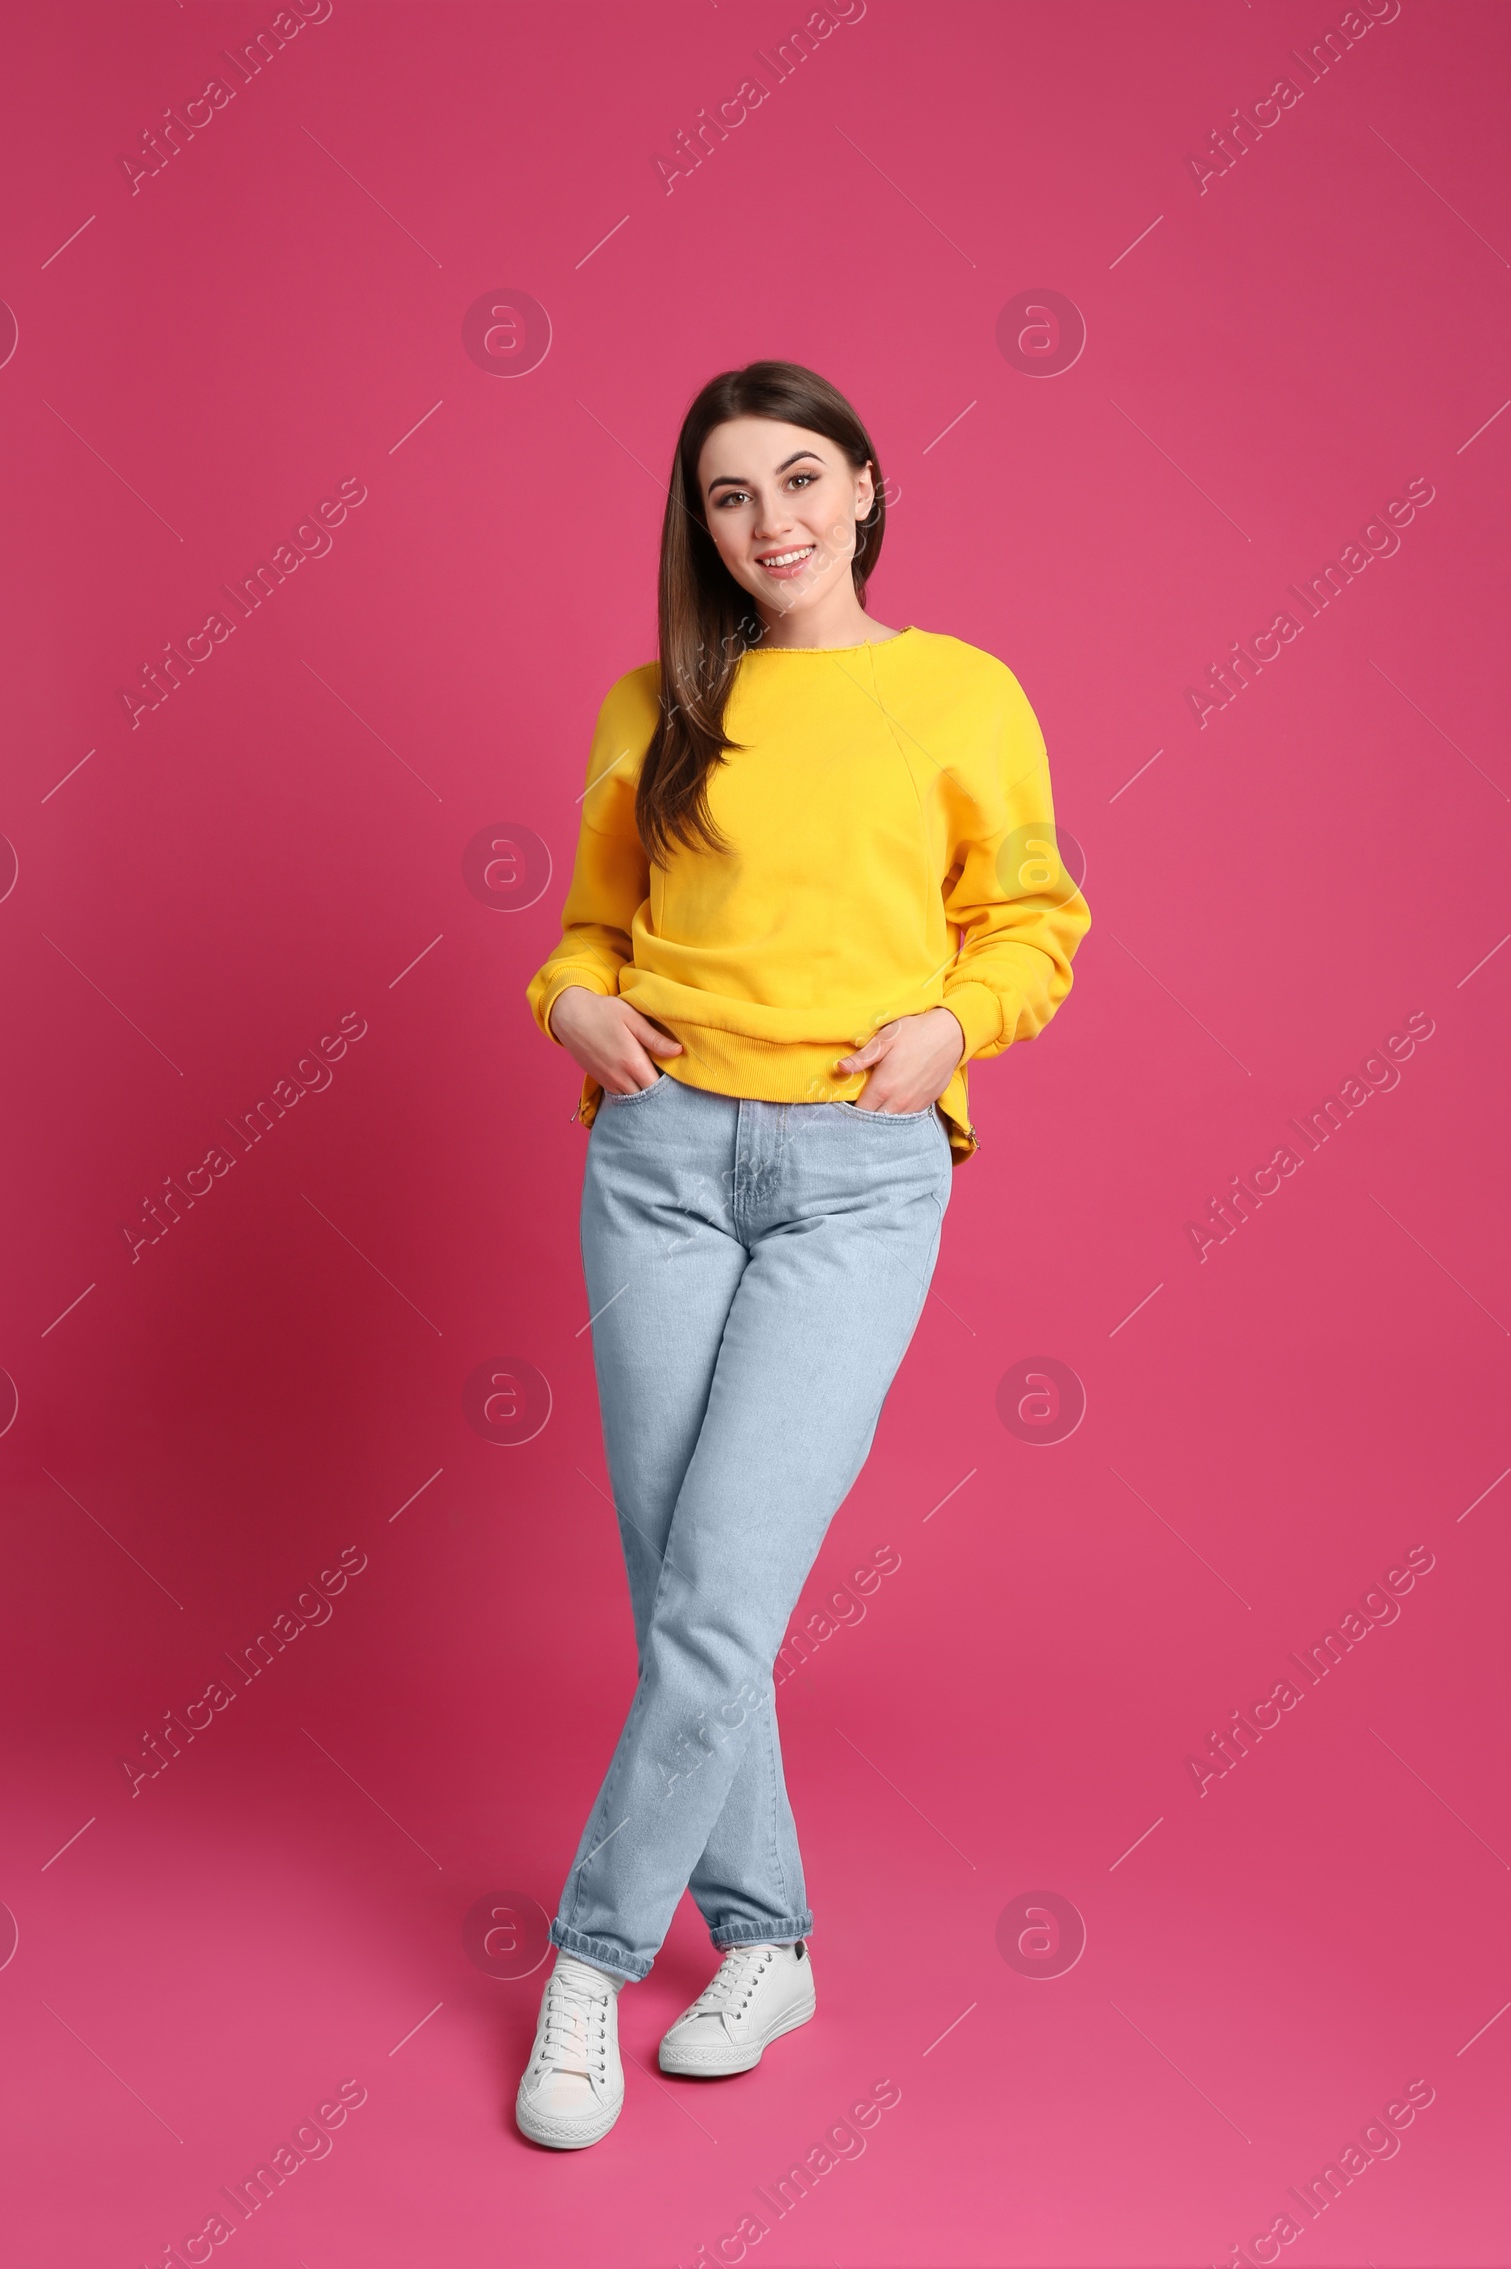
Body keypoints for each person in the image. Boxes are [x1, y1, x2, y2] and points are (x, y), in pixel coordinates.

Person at [515, 359, 1090, 2148]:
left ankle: (589, 1966)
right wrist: (570, 1009)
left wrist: (958, 1028)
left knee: (718, 1589)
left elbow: (1035, 918)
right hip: (663, 1164)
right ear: (699, 525)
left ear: (865, 486)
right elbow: (589, 930)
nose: (768, 523)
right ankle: (765, 1939)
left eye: (797, 480)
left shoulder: (959, 692)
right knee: (686, 1588)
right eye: (726, 497)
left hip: (857, 1175)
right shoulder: (655, 702)